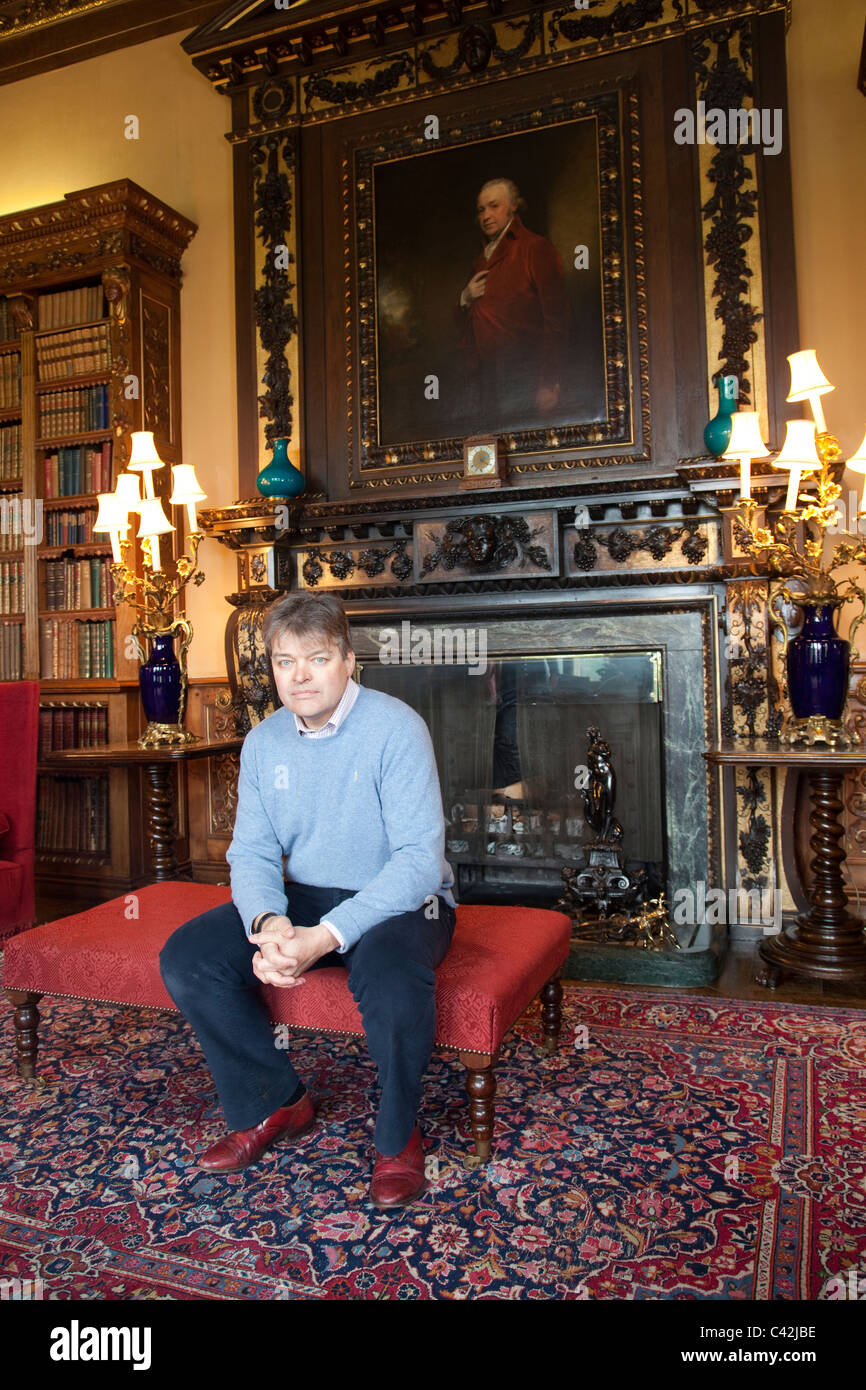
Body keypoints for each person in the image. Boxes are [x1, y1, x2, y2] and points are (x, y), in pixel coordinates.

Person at [158, 592, 456, 1209]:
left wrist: (323, 936)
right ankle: (275, 1102)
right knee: (189, 956)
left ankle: (399, 1137)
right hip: (306, 895)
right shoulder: (264, 742)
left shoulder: (396, 727)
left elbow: (418, 863)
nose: (298, 676)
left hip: (402, 900)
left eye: (316, 659)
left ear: (348, 660)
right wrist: (269, 923)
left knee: (394, 980)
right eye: (284, 661)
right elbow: (253, 854)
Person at [458, 178, 570, 428]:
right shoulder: (480, 258)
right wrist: (464, 298)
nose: (486, 215)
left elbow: (557, 320)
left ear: (513, 207)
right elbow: (464, 323)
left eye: (494, 206)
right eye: (481, 209)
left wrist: (549, 380)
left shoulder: (535, 247)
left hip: (524, 374)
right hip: (484, 377)